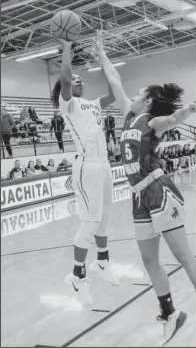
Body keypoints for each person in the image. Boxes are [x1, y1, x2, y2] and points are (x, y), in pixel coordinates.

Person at [93, 29, 196, 344]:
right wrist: (100, 50)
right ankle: (170, 315)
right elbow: (114, 80)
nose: (134, 97)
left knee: (184, 256)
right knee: (149, 260)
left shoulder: (151, 121)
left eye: (139, 95)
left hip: (160, 192)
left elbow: (171, 120)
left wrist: (187, 111)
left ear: (148, 101)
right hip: (139, 198)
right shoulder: (129, 117)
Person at [50, 37, 119, 305]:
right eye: (76, 79)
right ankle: (77, 277)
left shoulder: (92, 103)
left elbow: (114, 93)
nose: (79, 81)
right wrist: (67, 49)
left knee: (105, 217)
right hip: (86, 166)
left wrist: (102, 59)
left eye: (81, 79)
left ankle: (102, 261)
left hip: (103, 164)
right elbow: (65, 81)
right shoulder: (66, 103)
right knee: (90, 221)